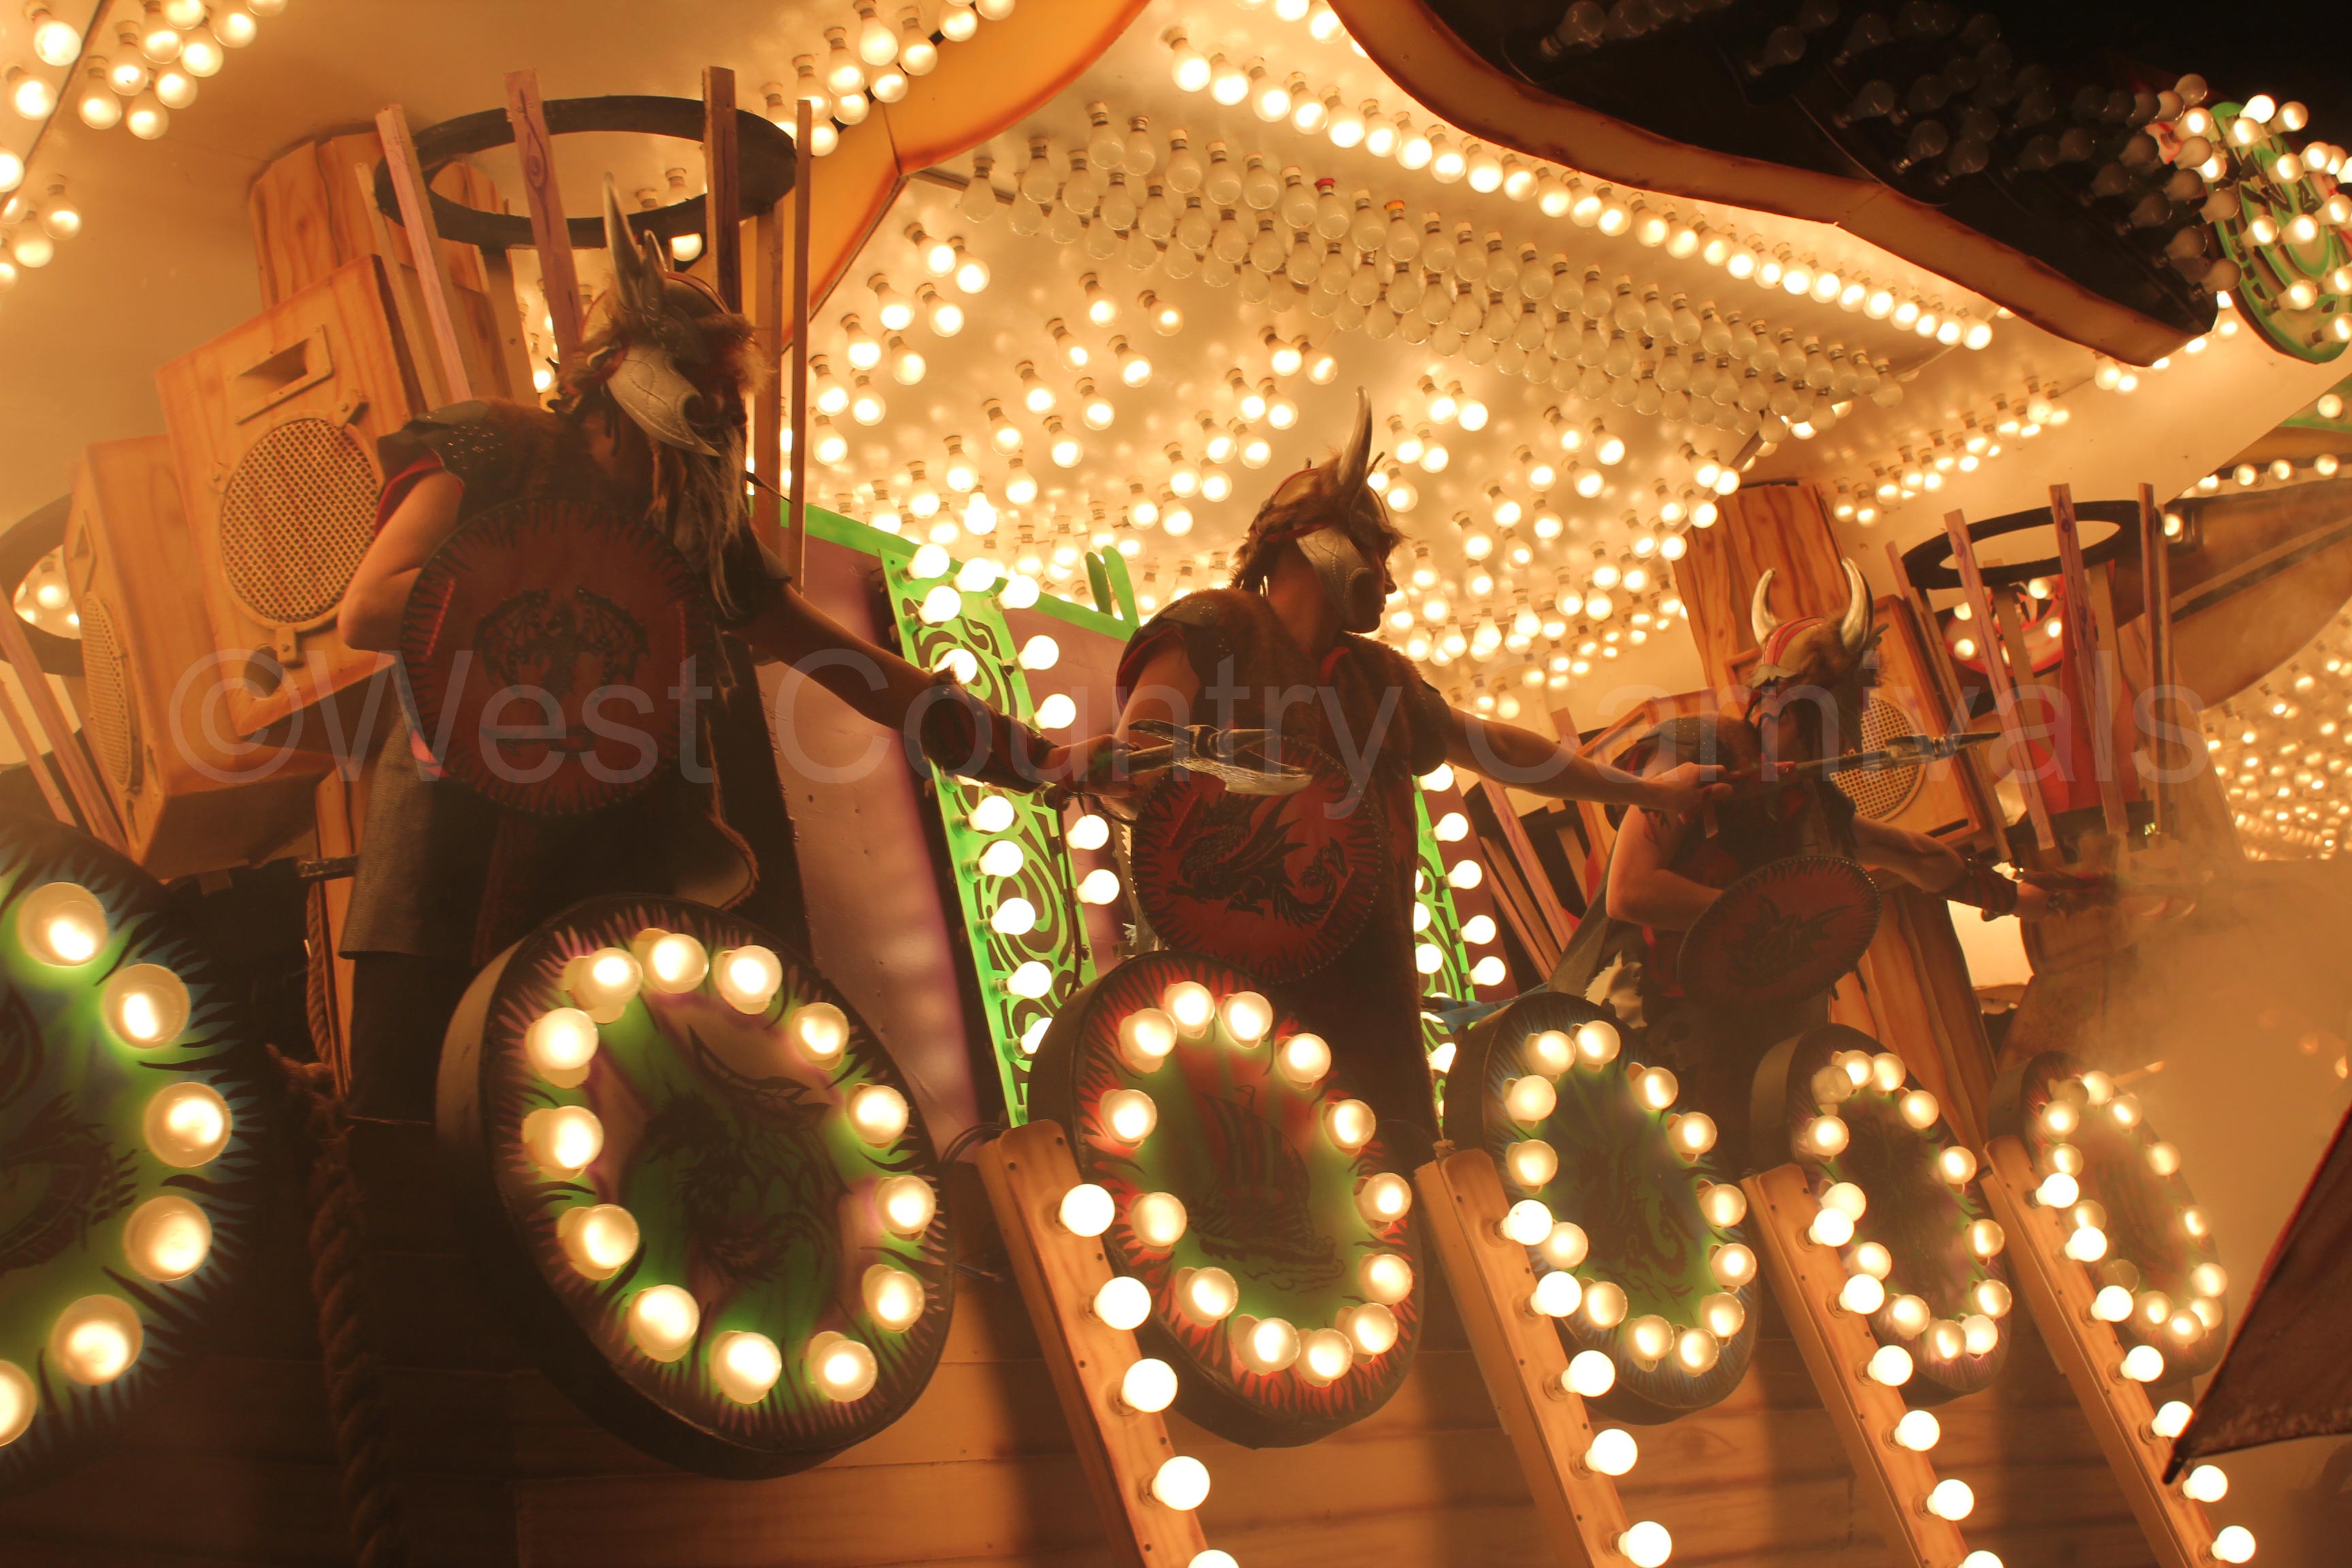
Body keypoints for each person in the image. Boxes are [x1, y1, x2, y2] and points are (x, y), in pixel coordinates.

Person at [335, 180, 1088, 1120]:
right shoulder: (498, 447)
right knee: (407, 1135)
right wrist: (571, 604)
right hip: (444, 850)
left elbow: (860, 674)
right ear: (618, 370)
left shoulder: (691, 530)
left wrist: (1039, 761)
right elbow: (371, 609)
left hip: (597, 867)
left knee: (582, 1142)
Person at [1092, 392, 1725, 1143]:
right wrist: (1147, 779)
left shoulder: (1380, 678)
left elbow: (1503, 750)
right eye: (1376, 553)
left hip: (1373, 985)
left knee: (1396, 1163)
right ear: (1316, 540)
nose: (1386, 582)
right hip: (1228, 986)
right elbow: (1138, 761)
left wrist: (1650, 792)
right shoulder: (1216, 626)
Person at [1557, 561, 2051, 1164]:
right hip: (1644, 1033)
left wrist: (2025, 899)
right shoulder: (1692, 753)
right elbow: (1630, 891)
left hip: (1757, 1046)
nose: (1771, 713)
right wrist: (1765, 915)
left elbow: (1913, 854)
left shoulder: (1810, 807)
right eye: (1773, 701)